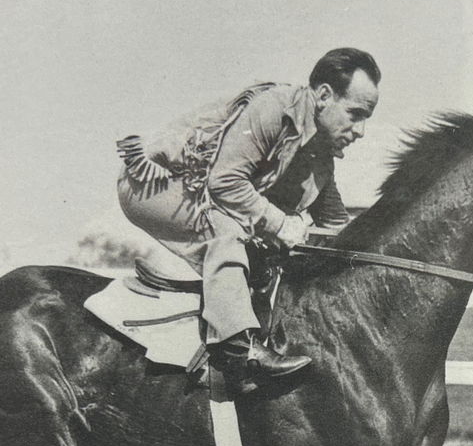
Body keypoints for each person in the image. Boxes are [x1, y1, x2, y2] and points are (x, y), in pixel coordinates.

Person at [116, 48, 381, 385]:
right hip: (155, 184)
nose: (360, 131)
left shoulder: (321, 156)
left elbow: (334, 228)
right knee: (226, 231)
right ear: (325, 95)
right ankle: (238, 350)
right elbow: (223, 182)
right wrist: (281, 224)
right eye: (355, 114)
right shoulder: (273, 108)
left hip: (205, 194)